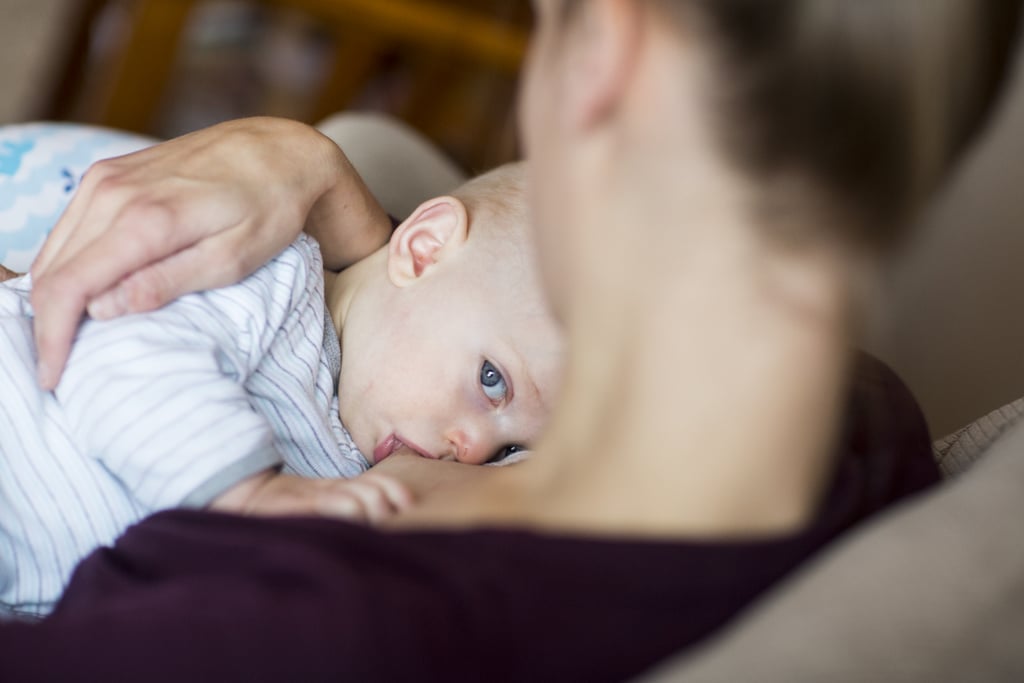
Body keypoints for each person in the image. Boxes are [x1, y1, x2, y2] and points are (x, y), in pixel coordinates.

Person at [0, 0, 1019, 680]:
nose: (470, 440)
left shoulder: (313, 623)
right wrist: (316, 176)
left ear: (604, 55)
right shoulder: (858, 432)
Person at [0, 162, 562, 618]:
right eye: (492, 381)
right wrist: (249, 493)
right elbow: (118, 353)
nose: (471, 449)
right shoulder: (273, 279)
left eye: (508, 449)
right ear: (424, 251)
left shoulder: (358, 459)